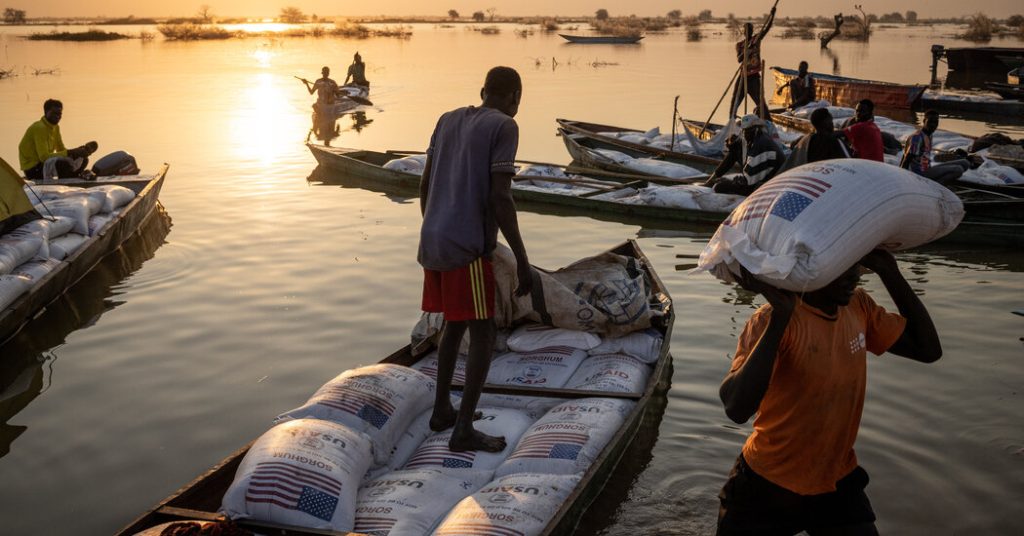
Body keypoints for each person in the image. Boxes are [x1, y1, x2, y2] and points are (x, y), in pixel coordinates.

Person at [716, 250, 942, 536]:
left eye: (854, 268)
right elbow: (736, 408)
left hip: (835, 478)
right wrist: (781, 318)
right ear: (809, 272)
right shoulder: (771, 320)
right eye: (840, 268)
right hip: (768, 482)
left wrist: (889, 272)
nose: (853, 278)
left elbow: (928, 350)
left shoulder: (859, 307)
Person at [418, 66, 532, 452]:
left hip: (432, 239)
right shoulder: (505, 127)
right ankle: (463, 429)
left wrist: (433, 224)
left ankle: (442, 411)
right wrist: (522, 259)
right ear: (515, 97)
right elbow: (501, 196)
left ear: (483, 90)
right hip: (466, 247)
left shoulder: (447, 119)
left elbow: (424, 181)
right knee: (484, 332)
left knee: (455, 323)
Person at [705, 115, 786, 196]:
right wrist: (733, 146)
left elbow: (749, 183)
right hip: (756, 179)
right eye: (744, 130)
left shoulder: (761, 144)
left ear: (756, 129)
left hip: (771, 184)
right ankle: (711, 179)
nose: (745, 133)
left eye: (748, 130)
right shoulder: (754, 138)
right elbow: (735, 153)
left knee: (719, 187)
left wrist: (730, 182)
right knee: (735, 150)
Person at [18, 99, 98, 181]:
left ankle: (72, 176)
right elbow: (44, 157)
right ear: (46, 112)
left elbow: (61, 149)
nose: (57, 116)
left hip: (45, 164)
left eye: (59, 114)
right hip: (33, 169)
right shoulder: (39, 128)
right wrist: (71, 152)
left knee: (84, 159)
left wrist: (77, 152)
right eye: (54, 113)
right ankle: (70, 177)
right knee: (62, 164)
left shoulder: (55, 127)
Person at [900, 110, 973, 185]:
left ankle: (935, 182)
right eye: (930, 122)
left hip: (928, 168)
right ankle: (935, 188)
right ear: (924, 121)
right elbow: (907, 158)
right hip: (920, 174)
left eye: (935, 122)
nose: (933, 125)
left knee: (965, 163)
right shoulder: (917, 137)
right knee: (958, 170)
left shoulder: (929, 134)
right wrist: (901, 178)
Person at [730, 6, 777, 118]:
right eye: (746, 30)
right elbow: (739, 59)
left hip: (754, 77)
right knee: (734, 102)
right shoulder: (740, 45)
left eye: (750, 30)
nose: (749, 32)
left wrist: (772, 15)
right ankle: (731, 122)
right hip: (743, 77)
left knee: (761, 102)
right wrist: (747, 51)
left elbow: (766, 28)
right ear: (744, 32)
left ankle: (768, 122)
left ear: (752, 31)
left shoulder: (756, 40)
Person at [782, 107, 850, 170]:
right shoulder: (835, 141)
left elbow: (793, 148)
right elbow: (849, 160)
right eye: (831, 121)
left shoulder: (804, 140)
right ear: (826, 122)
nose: (832, 124)